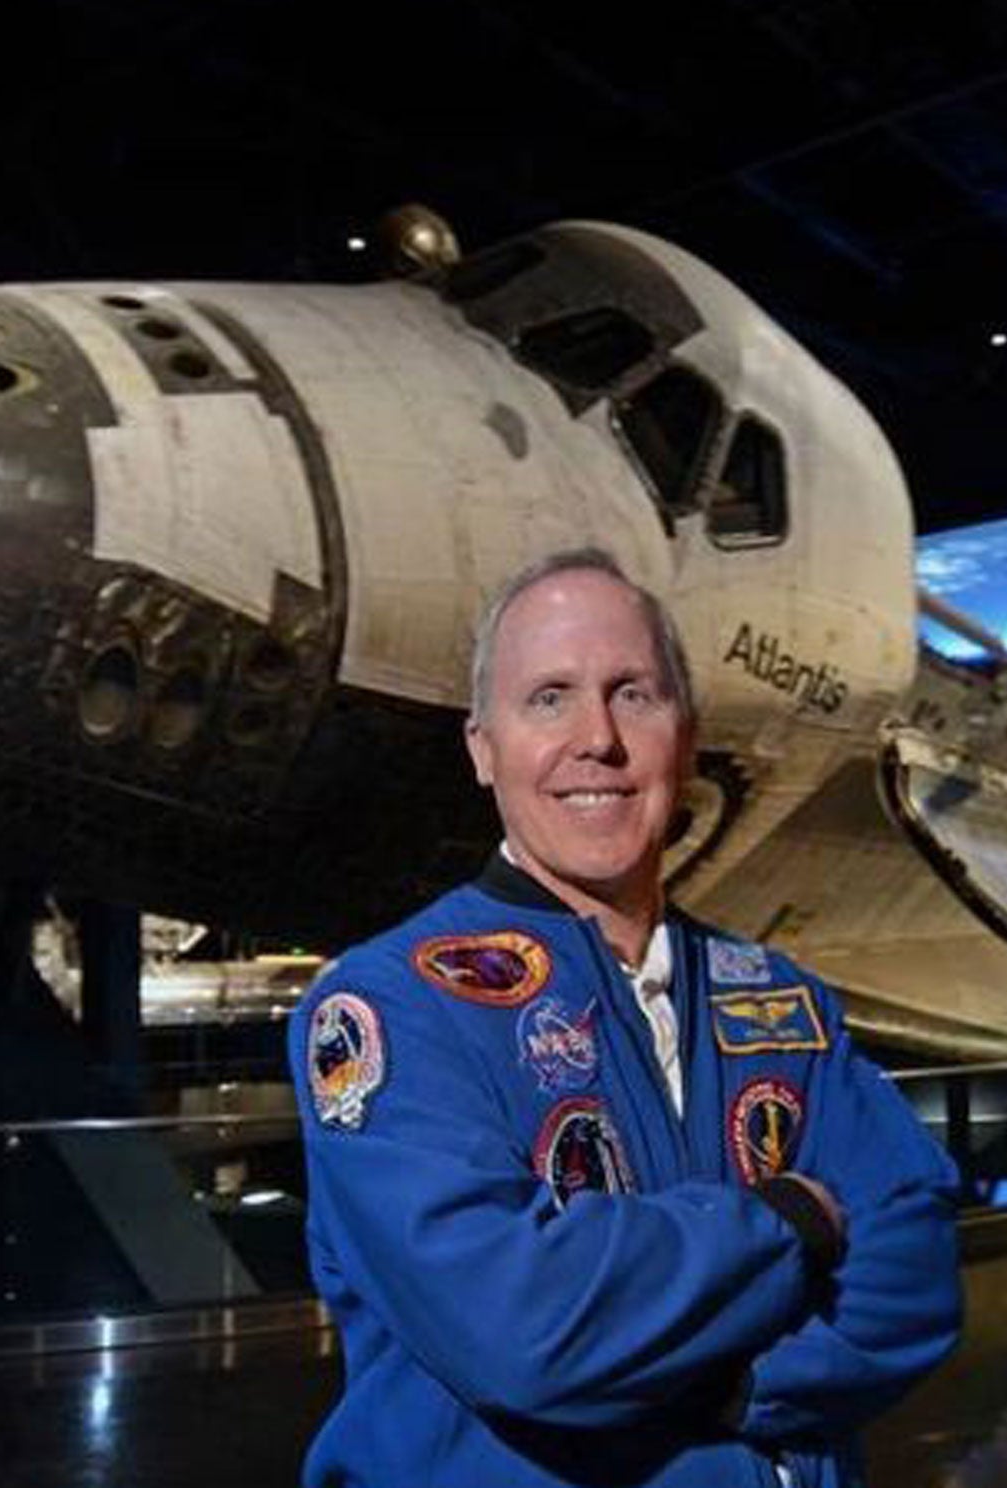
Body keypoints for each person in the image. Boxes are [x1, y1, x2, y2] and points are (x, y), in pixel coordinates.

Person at [287, 547, 960, 1487]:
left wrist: (730, 1389)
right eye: (549, 698)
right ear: (484, 749)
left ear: (684, 738)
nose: (596, 738)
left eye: (633, 694)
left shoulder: (777, 1001)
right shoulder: (391, 1009)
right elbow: (526, 1329)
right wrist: (790, 1224)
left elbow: (912, 1267)